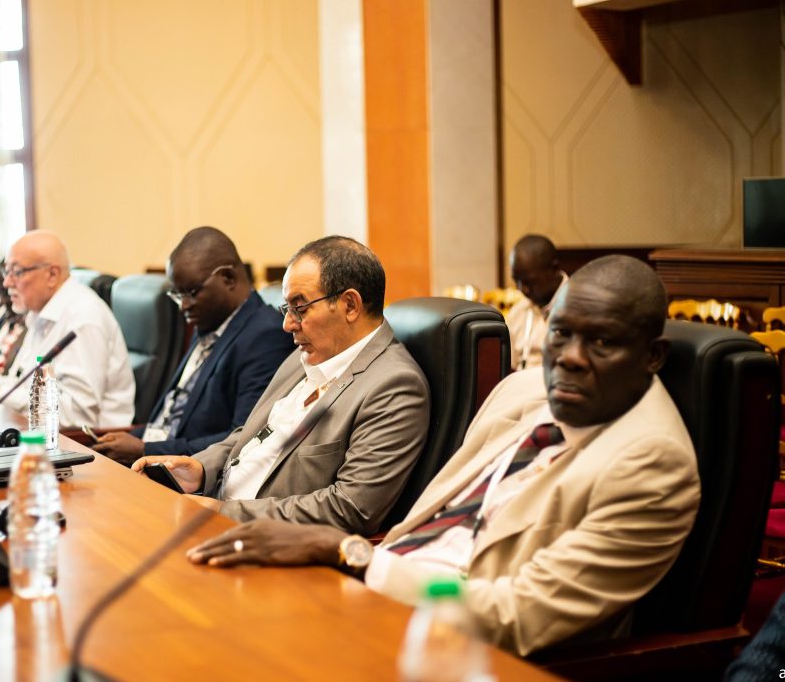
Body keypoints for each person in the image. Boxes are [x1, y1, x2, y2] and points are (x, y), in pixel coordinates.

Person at [186, 255, 701, 657]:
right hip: (385, 591)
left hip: (461, 645)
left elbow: (515, 616)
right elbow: (428, 526)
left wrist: (349, 555)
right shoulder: (524, 391)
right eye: (562, 333)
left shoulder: (652, 463)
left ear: (652, 357)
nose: (568, 357)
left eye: (603, 341)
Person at [130, 236, 430, 536]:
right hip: (211, 512)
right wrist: (202, 468)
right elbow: (248, 434)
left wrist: (224, 512)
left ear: (350, 305)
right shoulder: (303, 356)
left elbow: (349, 508)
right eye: (285, 309)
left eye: (300, 308)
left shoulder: (394, 386)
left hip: (263, 542)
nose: (287, 324)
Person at [93, 227, 294, 465]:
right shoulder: (208, 323)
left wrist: (146, 450)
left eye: (191, 293)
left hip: (193, 477)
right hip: (159, 460)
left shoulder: (265, 336)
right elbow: (174, 418)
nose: (184, 306)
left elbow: (243, 438)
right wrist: (131, 437)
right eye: (178, 295)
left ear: (228, 278)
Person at [0, 230, 135, 428]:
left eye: (16, 272)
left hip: (86, 445)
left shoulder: (83, 318)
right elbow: (22, 383)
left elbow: (77, 415)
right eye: (6, 272)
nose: (6, 282)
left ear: (52, 275)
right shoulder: (39, 313)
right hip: (42, 430)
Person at [507, 234, 567, 370]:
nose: (523, 289)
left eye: (530, 282)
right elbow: (509, 365)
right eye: (516, 280)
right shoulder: (519, 310)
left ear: (554, 269)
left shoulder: (579, 305)